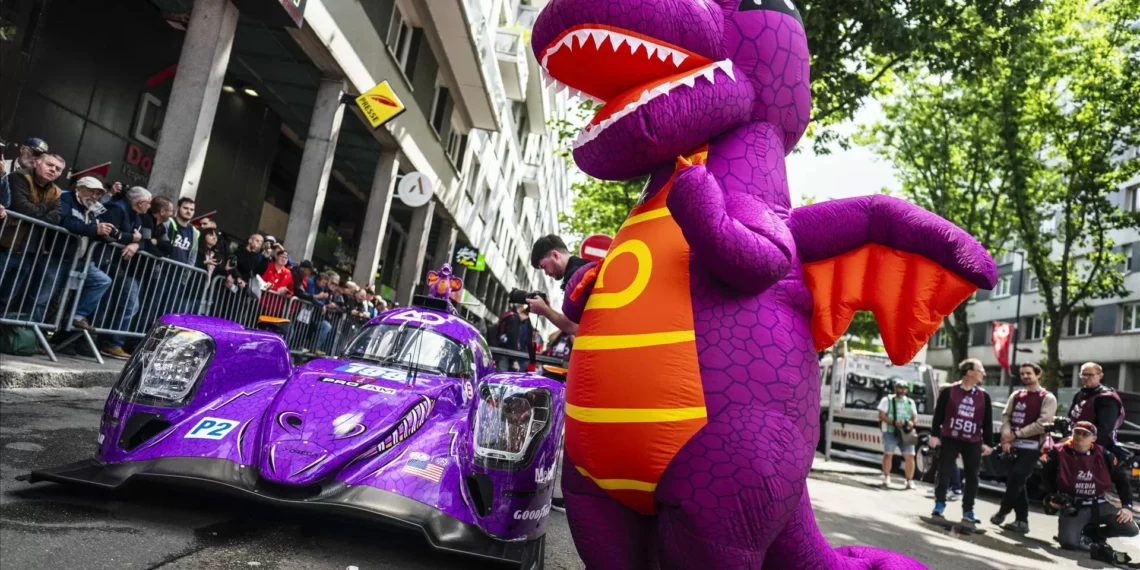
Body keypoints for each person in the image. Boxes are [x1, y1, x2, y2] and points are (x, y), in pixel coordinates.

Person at [1039, 421, 1137, 550]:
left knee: (1130, 529)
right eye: (1077, 432)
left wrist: (1127, 507)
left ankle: (1094, 534)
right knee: (1069, 543)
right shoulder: (1057, 452)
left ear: (1094, 438)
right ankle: (1077, 535)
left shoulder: (1105, 455)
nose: (1080, 437)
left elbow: (1122, 481)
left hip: (1099, 503)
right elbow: (1046, 475)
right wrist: (1052, 496)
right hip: (1074, 505)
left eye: (1085, 434)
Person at [991, 362, 1057, 533]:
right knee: (1017, 483)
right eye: (1022, 374)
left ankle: (1003, 511)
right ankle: (1022, 521)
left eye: (1028, 373)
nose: (1025, 376)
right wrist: (1006, 438)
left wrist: (1016, 435)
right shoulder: (1016, 395)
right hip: (1012, 446)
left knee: (1016, 478)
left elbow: (1043, 424)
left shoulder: (1047, 398)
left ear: (1038, 374)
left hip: (1032, 448)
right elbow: (1006, 417)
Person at [928, 358, 994, 523]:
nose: (984, 374)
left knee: (972, 476)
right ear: (969, 372)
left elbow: (988, 422)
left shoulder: (984, 396)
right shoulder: (949, 392)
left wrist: (988, 443)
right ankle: (939, 504)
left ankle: (968, 510)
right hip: (951, 438)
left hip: (973, 441)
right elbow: (938, 415)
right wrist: (934, 435)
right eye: (981, 370)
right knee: (944, 471)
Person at [57, 177, 116, 332]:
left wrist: (106, 236)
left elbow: (95, 230)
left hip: (81, 259)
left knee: (102, 281)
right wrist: (96, 229)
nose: (94, 196)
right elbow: (66, 221)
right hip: (59, 256)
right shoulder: (65, 198)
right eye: (91, 191)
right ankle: (32, 334)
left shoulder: (93, 209)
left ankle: (77, 316)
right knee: (45, 295)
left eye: (98, 194)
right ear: (79, 188)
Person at [98, 186, 150, 359]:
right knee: (104, 303)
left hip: (120, 266)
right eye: (148, 203)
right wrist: (132, 238)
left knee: (124, 305)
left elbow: (143, 241)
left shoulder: (138, 217)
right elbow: (109, 234)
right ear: (140, 202)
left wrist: (136, 244)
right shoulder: (116, 208)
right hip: (105, 261)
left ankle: (111, 343)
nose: (149, 206)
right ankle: (104, 342)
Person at [526, 235, 593, 335]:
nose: (546, 273)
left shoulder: (574, 276)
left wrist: (544, 310)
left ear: (555, 255)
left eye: (544, 266)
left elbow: (574, 327)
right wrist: (548, 309)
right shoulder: (583, 267)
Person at [1069, 362, 1127, 461]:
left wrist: (1083, 441)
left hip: (1099, 448)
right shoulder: (1079, 395)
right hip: (1075, 444)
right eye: (1083, 374)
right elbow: (1071, 417)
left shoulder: (1107, 398)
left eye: (1090, 375)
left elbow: (1104, 429)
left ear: (1100, 376)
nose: (1086, 377)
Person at [877, 379, 918, 489]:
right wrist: (893, 422)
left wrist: (911, 423)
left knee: (910, 456)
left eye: (904, 388)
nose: (901, 390)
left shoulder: (910, 402)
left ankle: (909, 480)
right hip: (890, 430)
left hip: (905, 432)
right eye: (899, 388)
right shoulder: (887, 400)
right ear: (895, 388)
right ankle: (886, 476)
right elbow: (881, 415)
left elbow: (914, 416)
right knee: (888, 454)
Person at [166, 197, 199, 266]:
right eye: (185, 208)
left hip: (181, 271)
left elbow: (193, 256)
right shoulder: (168, 223)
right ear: (178, 208)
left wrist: (187, 272)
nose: (189, 211)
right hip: (163, 269)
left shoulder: (194, 232)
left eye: (192, 209)